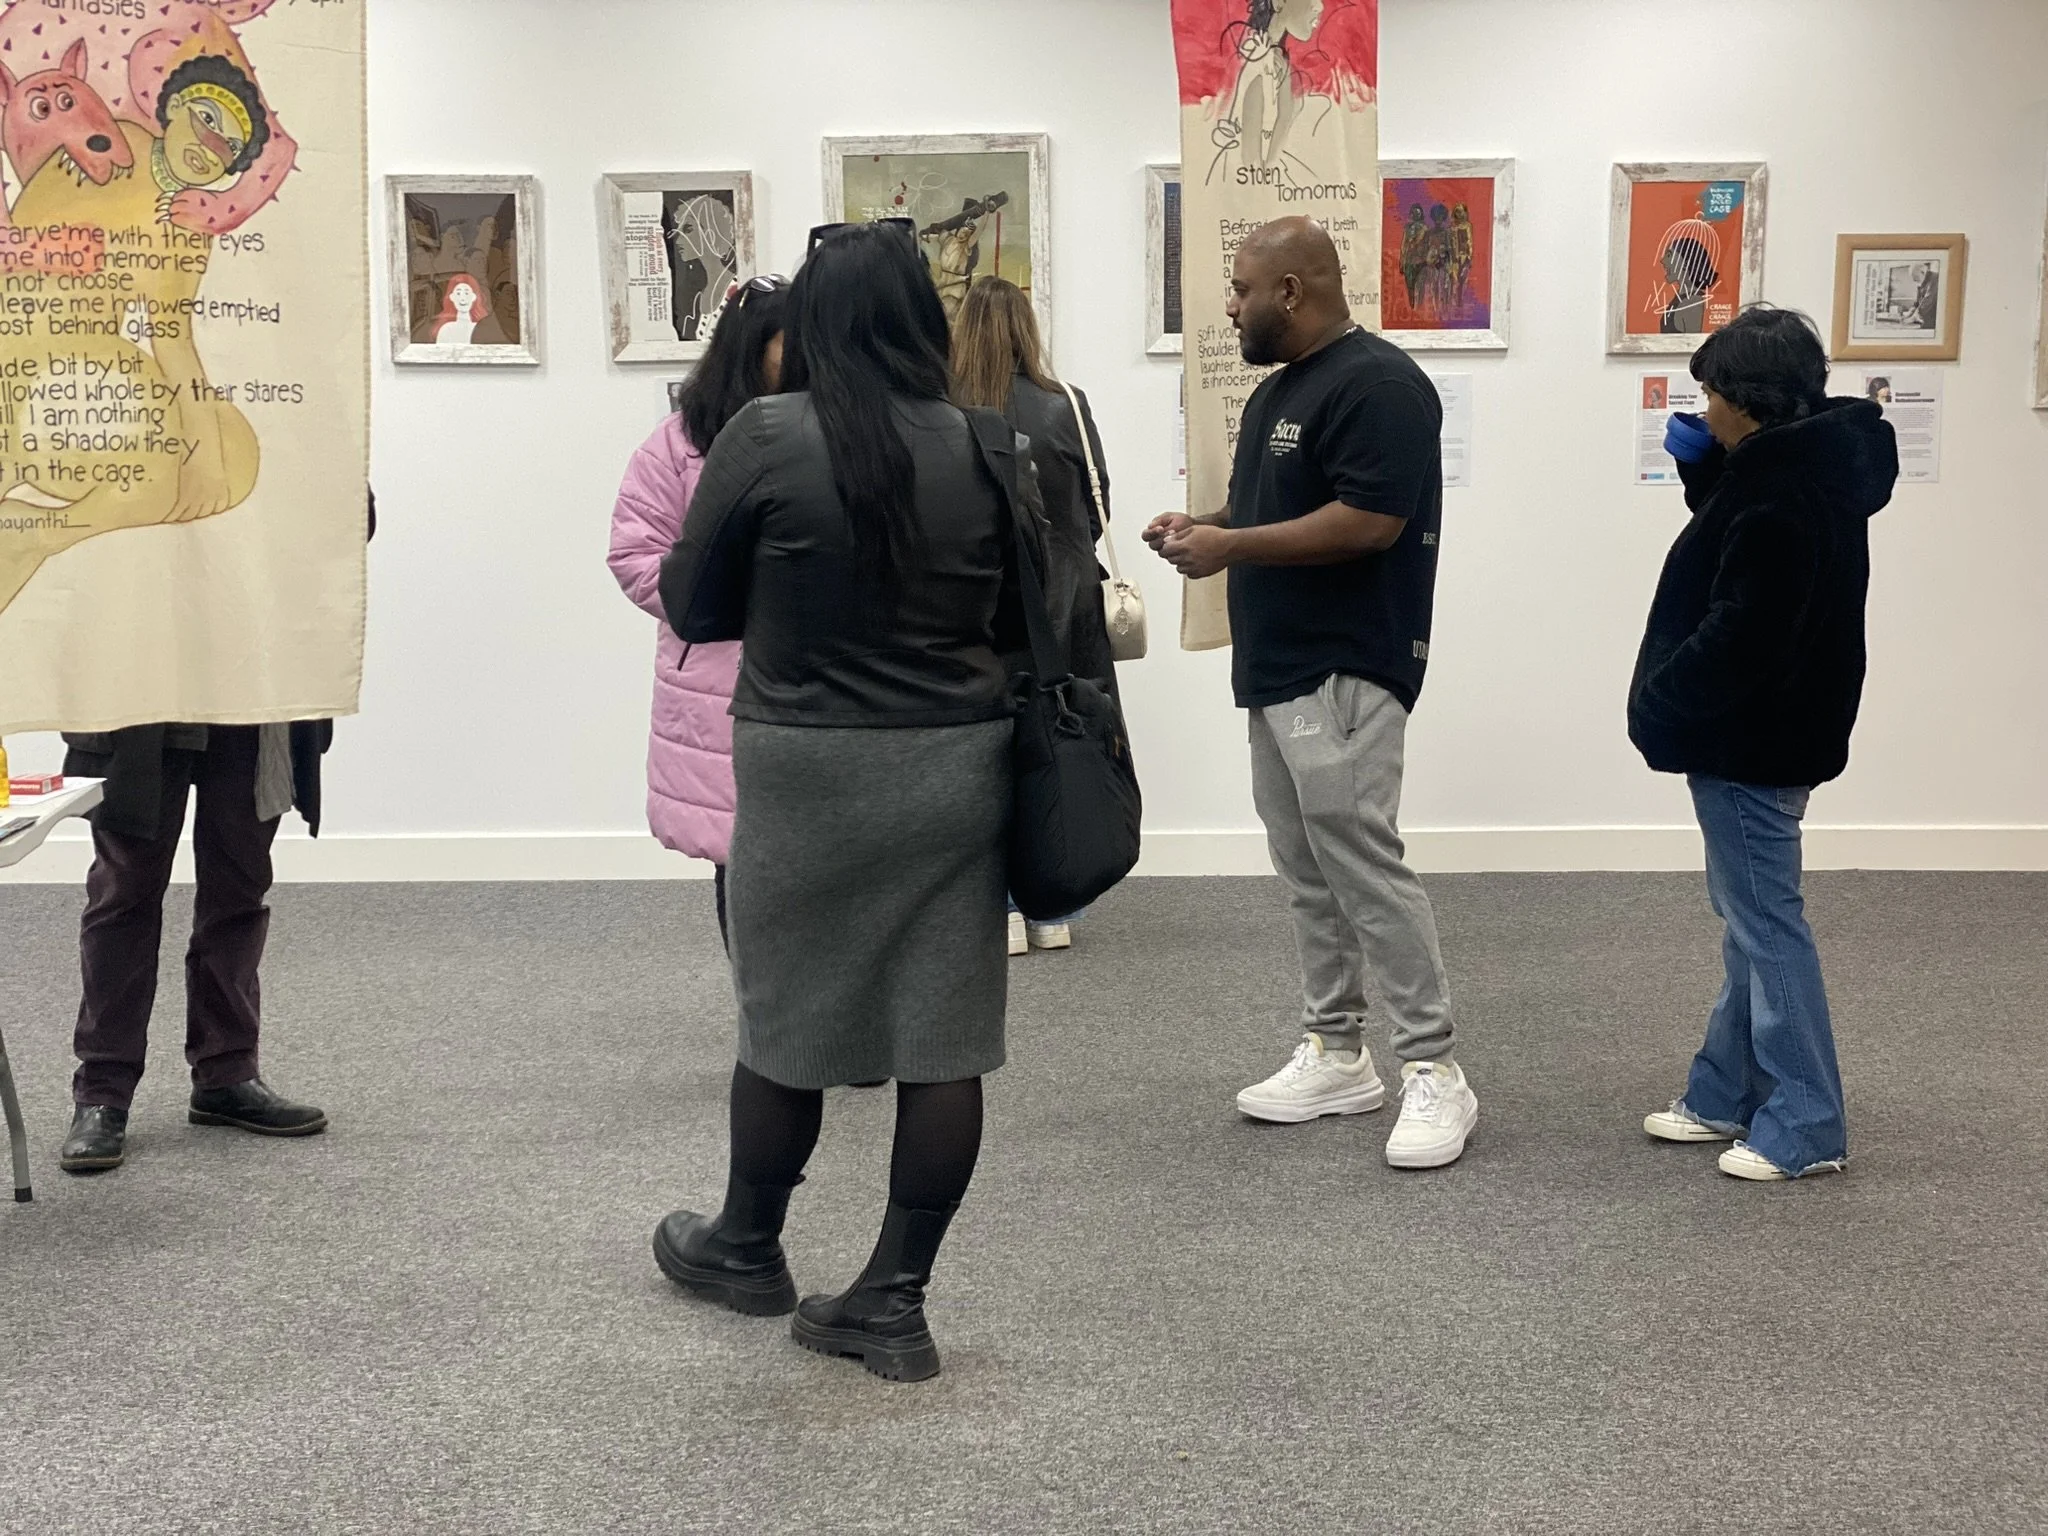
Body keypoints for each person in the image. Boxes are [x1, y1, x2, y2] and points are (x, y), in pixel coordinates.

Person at [651, 223, 1032, 1383]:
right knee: (943, 1038)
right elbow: (1024, 626)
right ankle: (893, 1299)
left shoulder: (765, 438)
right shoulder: (985, 446)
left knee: (783, 1017)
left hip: (806, 764)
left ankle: (746, 1244)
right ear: (924, 321)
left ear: (809, 324)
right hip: (957, 766)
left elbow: (692, 603)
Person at [1145, 216, 1477, 1171]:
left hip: (1347, 664)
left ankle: (1435, 1068)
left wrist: (1230, 548)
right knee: (1308, 872)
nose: (1231, 308)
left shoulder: (1381, 386)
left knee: (1363, 866)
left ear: (1292, 290)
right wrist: (1206, 523)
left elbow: (1371, 522)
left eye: (1241, 291)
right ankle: (1337, 1051)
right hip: (1279, 667)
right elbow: (1276, 509)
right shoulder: (1281, 392)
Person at [1631, 306, 1898, 1182]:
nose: (1701, 410)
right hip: (1782, 730)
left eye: (1710, 394)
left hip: (1754, 740)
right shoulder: (1803, 469)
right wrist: (1709, 480)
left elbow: (1748, 627)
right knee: (1747, 921)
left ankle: (1810, 1121)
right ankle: (1724, 1091)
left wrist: (1662, 703)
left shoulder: (1781, 491)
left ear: (1745, 399)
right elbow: (1749, 556)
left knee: (1767, 924)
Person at [55, 490, 376, 1174]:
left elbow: (351, 527)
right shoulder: (120, 406)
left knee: (238, 890)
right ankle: (103, 1093)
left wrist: (337, 462)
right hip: (140, 687)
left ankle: (227, 1073)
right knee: (125, 894)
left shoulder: (288, 402)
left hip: (252, 691)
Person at [608, 275, 788, 947]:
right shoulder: (679, 444)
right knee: (739, 863)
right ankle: (761, 1031)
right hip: (717, 680)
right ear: (752, 346)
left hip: (809, 674)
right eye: (789, 341)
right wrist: (715, 599)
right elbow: (634, 555)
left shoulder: (827, 427)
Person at [950, 275, 1117, 956]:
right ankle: (1054, 902)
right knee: (1061, 744)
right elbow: (1099, 498)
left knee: (985, 755)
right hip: (1068, 600)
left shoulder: (949, 410)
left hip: (983, 602)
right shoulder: (1066, 406)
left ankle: (1002, 908)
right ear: (1028, 328)